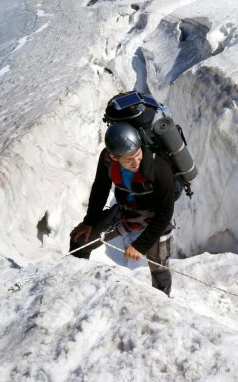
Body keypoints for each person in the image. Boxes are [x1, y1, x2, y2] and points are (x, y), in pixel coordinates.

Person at [69, 120, 175, 296]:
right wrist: (89, 222)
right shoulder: (106, 160)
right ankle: (74, 288)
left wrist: (141, 246)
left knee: (159, 270)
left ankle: (161, 303)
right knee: (80, 242)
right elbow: (101, 188)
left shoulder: (159, 168)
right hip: (126, 210)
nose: (136, 163)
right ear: (114, 157)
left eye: (138, 155)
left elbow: (165, 213)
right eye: (129, 159)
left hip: (155, 217)